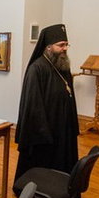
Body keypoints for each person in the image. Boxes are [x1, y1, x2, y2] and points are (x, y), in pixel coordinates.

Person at [14, 24, 79, 181]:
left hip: (63, 130)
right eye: (61, 45)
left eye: (66, 44)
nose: (65, 48)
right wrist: (44, 133)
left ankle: (63, 189)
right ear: (49, 47)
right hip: (45, 134)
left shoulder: (62, 65)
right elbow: (32, 106)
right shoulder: (36, 69)